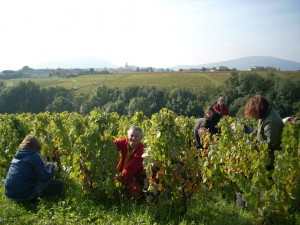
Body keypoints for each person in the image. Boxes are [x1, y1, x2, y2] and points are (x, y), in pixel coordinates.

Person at [4, 135, 63, 202]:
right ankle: (35, 200)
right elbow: (44, 177)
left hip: (9, 194)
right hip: (22, 196)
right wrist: (51, 166)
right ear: (37, 146)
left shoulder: (17, 156)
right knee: (59, 185)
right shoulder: (34, 155)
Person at [244, 95, 284, 170]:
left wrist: (255, 144)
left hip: (271, 160)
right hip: (266, 155)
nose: (254, 116)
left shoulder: (271, 121)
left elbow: (272, 143)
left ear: (257, 110)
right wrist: (256, 132)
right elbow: (264, 129)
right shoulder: (265, 114)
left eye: (253, 112)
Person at [114, 126, 145, 199]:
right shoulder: (124, 142)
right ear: (128, 136)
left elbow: (130, 169)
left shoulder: (141, 150)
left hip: (135, 176)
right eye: (131, 135)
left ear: (141, 138)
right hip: (122, 172)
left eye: (137, 136)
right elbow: (113, 145)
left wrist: (119, 177)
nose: (133, 138)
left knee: (134, 193)